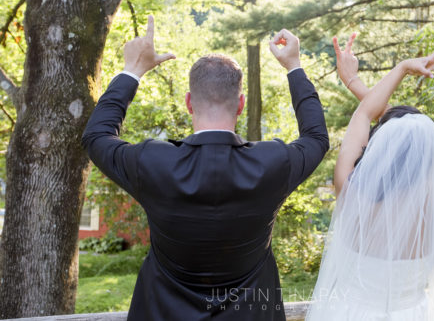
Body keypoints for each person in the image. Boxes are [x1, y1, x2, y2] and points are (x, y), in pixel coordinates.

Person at [82, 16, 329, 320]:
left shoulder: (152, 162)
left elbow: (96, 136)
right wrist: (294, 66)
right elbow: (316, 138)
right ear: (240, 105)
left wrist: (132, 71)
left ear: (188, 102)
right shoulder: (273, 162)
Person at [306, 34, 434, 320]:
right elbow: (397, 128)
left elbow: (368, 112)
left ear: (380, 147)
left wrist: (402, 68)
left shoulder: (351, 193)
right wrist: (356, 83)